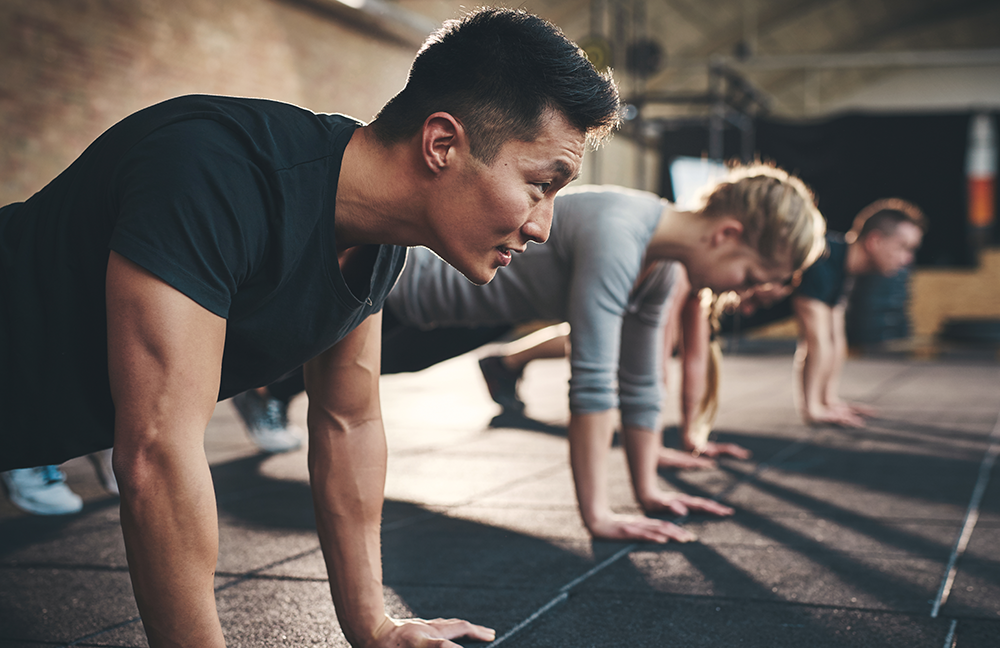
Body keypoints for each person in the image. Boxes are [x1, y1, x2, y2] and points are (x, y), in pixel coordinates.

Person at [0, 8, 620, 648]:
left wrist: (373, 627)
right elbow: (156, 453)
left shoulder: (379, 244)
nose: (544, 226)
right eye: (540, 185)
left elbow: (348, 421)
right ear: (442, 144)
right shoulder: (215, 171)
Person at [253, 166, 827, 543]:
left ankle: (271, 385)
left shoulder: (666, 265)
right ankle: (259, 383)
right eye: (750, 275)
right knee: (315, 362)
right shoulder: (621, 230)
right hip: (405, 289)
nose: (742, 292)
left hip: (476, 313)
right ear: (726, 234)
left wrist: (648, 488)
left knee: (388, 366)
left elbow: (642, 380)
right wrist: (598, 516)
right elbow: (595, 381)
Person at [792, 198, 926, 427]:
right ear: (874, 241)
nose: (908, 259)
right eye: (903, 247)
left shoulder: (842, 268)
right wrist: (813, 409)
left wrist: (829, 401)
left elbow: (836, 339)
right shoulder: (822, 258)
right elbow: (815, 341)